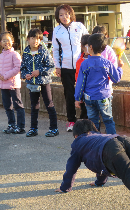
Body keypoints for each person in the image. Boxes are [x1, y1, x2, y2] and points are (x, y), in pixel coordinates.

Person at [75, 33, 123, 134]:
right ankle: (112, 141)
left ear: (90, 47)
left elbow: (80, 83)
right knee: (108, 120)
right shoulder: (107, 63)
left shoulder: (85, 64)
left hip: (89, 97)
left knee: (93, 122)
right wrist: (119, 68)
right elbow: (116, 79)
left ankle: (95, 142)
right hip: (104, 96)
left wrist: (77, 98)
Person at [52, 4, 88, 132]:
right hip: (66, 67)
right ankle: (71, 121)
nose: (64, 17)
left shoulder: (79, 26)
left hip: (81, 66)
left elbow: (87, 43)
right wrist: (57, 66)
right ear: (58, 17)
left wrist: (87, 59)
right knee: (69, 94)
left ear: (71, 14)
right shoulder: (56, 31)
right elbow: (55, 50)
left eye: (66, 14)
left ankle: (84, 121)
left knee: (83, 92)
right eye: (61, 15)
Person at [20, 28, 58, 137]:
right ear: (28, 39)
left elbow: (51, 67)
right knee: (34, 106)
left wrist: (39, 71)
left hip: (44, 82)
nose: (35, 41)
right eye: (32, 38)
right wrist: (25, 75)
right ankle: (33, 128)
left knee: (49, 104)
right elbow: (22, 68)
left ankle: (54, 128)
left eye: (37, 39)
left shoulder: (44, 51)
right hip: (32, 84)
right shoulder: (26, 52)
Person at [0, 31, 25, 134]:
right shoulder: (0, 56)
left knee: (18, 105)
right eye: (3, 40)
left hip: (13, 84)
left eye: (8, 40)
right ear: (0, 43)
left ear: (12, 41)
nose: (6, 42)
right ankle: (11, 125)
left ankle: (21, 126)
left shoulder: (15, 54)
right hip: (3, 85)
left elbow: (18, 68)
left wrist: (5, 75)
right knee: (7, 106)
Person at [75, 34, 90, 119]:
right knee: (84, 112)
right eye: (85, 46)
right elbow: (78, 79)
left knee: (94, 115)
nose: (87, 49)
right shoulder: (79, 62)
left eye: (89, 46)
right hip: (83, 92)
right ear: (82, 47)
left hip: (93, 92)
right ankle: (83, 131)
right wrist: (78, 95)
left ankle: (94, 131)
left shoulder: (95, 59)